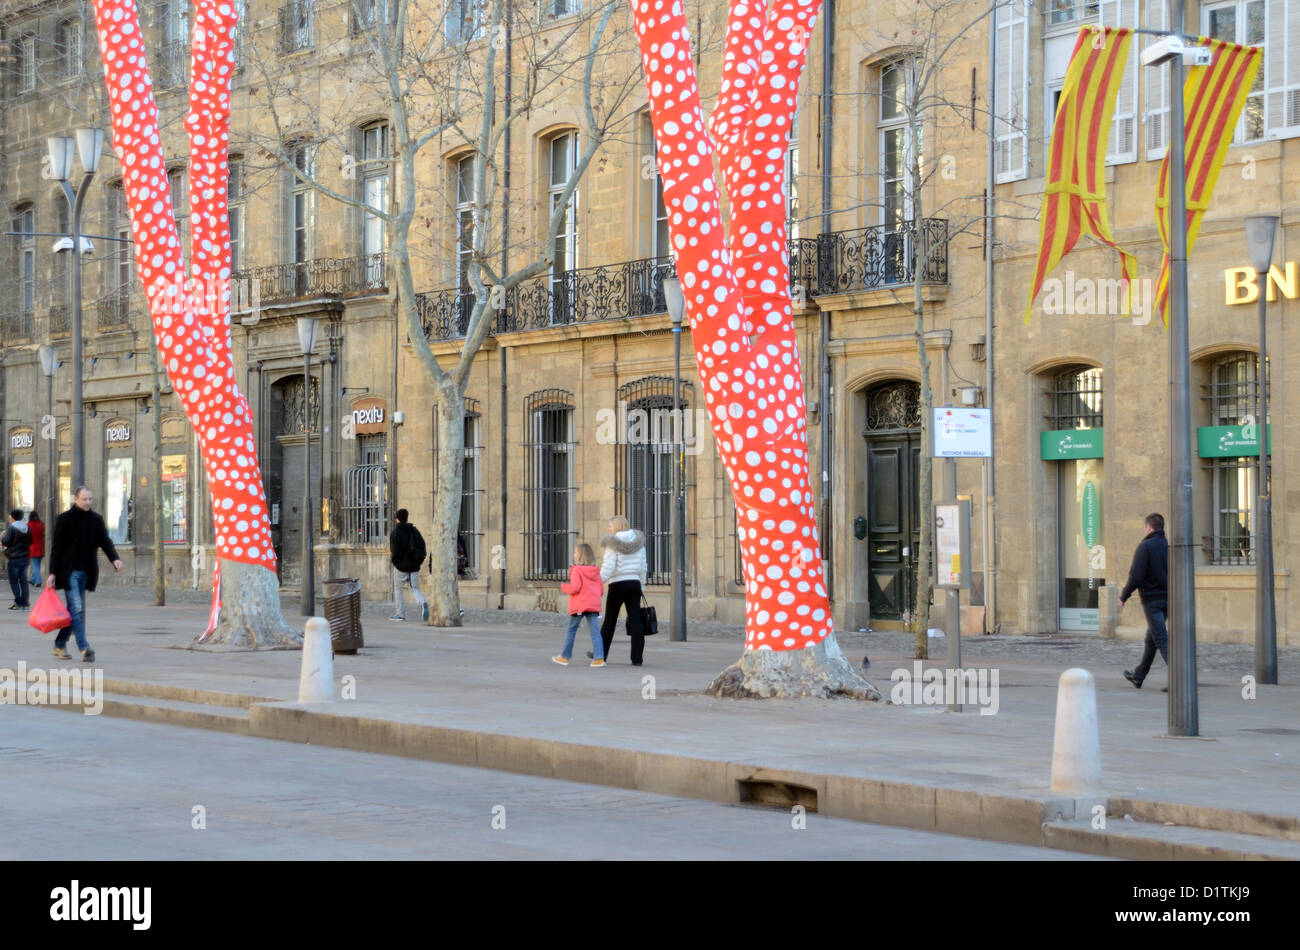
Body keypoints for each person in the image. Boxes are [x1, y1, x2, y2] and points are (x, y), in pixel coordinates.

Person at [45, 486, 122, 663]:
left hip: (86, 571)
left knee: (74, 610)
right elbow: (57, 548)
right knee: (77, 609)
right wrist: (52, 572)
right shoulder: (64, 519)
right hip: (68, 571)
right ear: (75, 499)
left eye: (90, 499)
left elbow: (105, 541)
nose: (88, 502)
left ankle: (59, 643)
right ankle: (84, 647)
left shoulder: (96, 520)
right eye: (85, 499)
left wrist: (114, 559)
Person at [1121, 512, 1170, 692]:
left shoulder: (1145, 547)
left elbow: (1136, 576)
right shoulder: (1167, 545)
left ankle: (1180, 680)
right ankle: (1139, 675)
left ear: (1149, 527)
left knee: (1161, 639)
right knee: (1152, 639)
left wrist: (1123, 596)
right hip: (1168, 600)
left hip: (1152, 600)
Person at [597, 515, 648, 665]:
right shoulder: (639, 543)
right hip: (634, 583)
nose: (609, 529)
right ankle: (637, 658)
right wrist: (642, 585)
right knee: (636, 621)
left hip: (618, 583)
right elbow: (643, 566)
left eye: (610, 526)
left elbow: (608, 566)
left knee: (610, 621)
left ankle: (601, 655)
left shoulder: (613, 543)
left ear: (617, 527)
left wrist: (598, 582)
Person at [553, 543, 605, 667]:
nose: (574, 555)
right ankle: (599, 658)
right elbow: (601, 590)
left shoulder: (576, 570)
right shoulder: (596, 571)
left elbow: (575, 588)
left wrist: (563, 587)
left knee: (571, 630)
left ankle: (565, 657)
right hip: (593, 605)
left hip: (579, 605)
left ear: (580, 555)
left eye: (575, 552)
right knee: (595, 631)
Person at [389, 508, 429, 622]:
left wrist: (395, 562)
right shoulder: (414, 531)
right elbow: (422, 545)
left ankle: (400, 614)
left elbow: (394, 551)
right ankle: (423, 602)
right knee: (414, 588)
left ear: (397, 518)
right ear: (407, 518)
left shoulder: (395, 533)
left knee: (398, 590)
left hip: (400, 567)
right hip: (414, 565)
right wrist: (418, 561)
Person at [2, 509, 32, 610]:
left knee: (14, 581)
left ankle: (18, 602)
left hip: (14, 558)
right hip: (25, 557)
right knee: (23, 580)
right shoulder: (27, 527)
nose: (9, 518)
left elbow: (6, 542)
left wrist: (2, 536)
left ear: (13, 517)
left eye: (10, 517)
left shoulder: (11, 528)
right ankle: (25, 602)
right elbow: (31, 541)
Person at [27, 509, 44, 586]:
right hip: (40, 546)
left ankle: (38, 581)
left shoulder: (29, 525)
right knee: (37, 565)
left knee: (35, 565)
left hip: (32, 547)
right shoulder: (41, 524)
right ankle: (33, 579)